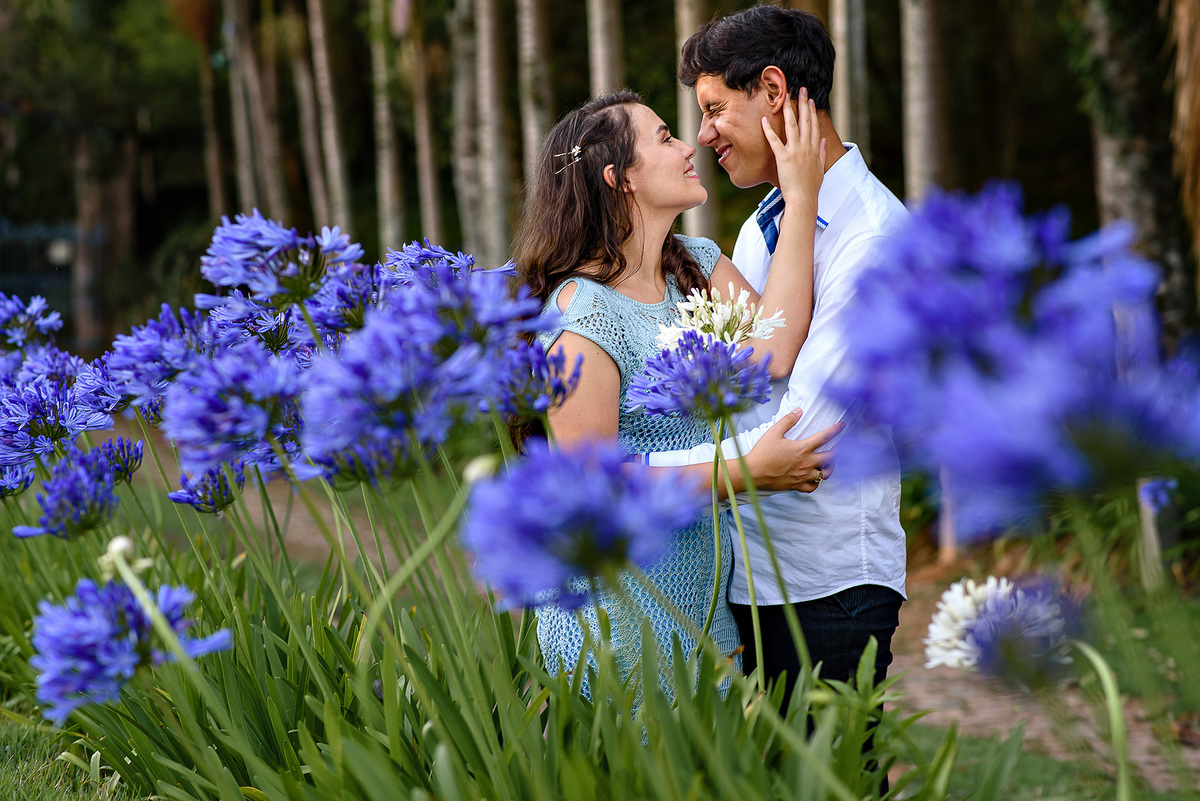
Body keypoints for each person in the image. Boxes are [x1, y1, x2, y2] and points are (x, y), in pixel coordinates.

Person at [512, 89, 836, 694]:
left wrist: (800, 198)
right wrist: (746, 473)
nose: (690, 147)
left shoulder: (698, 265)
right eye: (664, 138)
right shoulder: (581, 312)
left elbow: (775, 347)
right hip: (616, 618)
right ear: (620, 178)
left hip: (701, 607)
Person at [644, 5, 909, 706]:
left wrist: (638, 474)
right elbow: (744, 386)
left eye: (713, 110)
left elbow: (807, 432)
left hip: (826, 588)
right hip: (745, 580)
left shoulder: (873, 241)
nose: (703, 135)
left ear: (772, 89)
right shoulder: (767, 228)